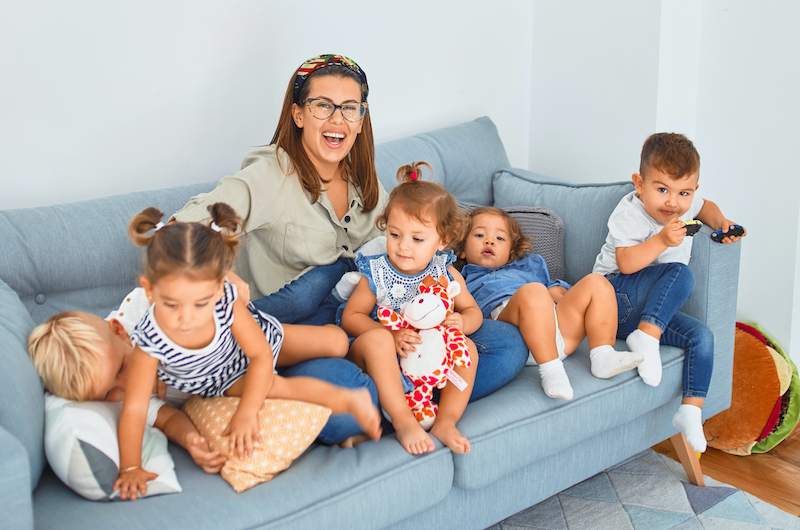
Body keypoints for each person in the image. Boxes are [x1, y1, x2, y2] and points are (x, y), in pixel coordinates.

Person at [170, 54, 530, 443]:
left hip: (372, 323)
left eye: (349, 108)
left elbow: (418, 239)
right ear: (298, 114)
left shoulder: (363, 180)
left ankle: (402, 399)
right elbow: (180, 229)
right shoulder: (269, 174)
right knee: (346, 404)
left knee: (507, 344)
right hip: (299, 331)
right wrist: (217, 271)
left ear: (361, 119)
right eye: (322, 105)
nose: (336, 120)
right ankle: (401, 402)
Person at [115, 203, 381, 500]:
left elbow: (260, 356)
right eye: (171, 304)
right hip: (223, 381)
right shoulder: (148, 342)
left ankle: (338, 318)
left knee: (336, 343)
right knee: (277, 386)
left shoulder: (226, 303)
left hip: (257, 347)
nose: (186, 318)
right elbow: (135, 409)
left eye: (200, 304)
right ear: (149, 290)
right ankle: (348, 399)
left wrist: (247, 411)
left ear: (218, 290)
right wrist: (129, 467)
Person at [592, 132, 746, 452]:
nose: (673, 202)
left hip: (647, 311)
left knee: (702, 336)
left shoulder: (685, 207)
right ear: (639, 184)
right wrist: (661, 240)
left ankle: (690, 410)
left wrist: (721, 223)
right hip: (611, 300)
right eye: (662, 189)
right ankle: (646, 338)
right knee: (680, 273)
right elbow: (626, 263)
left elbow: (707, 208)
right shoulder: (630, 213)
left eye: (683, 193)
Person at [341, 162, 481, 455]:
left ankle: (446, 421)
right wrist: (388, 335)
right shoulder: (377, 272)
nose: (403, 246)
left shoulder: (445, 274)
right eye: (394, 235)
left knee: (467, 348)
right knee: (378, 340)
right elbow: (350, 317)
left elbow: (472, 311)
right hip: (378, 353)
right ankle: (404, 421)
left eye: (417, 239)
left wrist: (461, 323)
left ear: (441, 241)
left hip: (424, 358)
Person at [457, 207, 644, 401]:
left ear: (512, 252)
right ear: (462, 249)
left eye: (500, 238)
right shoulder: (460, 278)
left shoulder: (530, 266)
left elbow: (554, 288)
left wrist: (561, 297)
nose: (489, 241)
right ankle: (551, 371)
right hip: (513, 336)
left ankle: (603, 355)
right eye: (479, 235)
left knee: (596, 281)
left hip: (556, 332)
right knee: (533, 291)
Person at [27, 309, 228, 477]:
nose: (126, 385)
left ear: (118, 330)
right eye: (108, 394)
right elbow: (168, 420)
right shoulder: (124, 403)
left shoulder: (146, 313)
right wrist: (191, 440)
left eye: (121, 368)